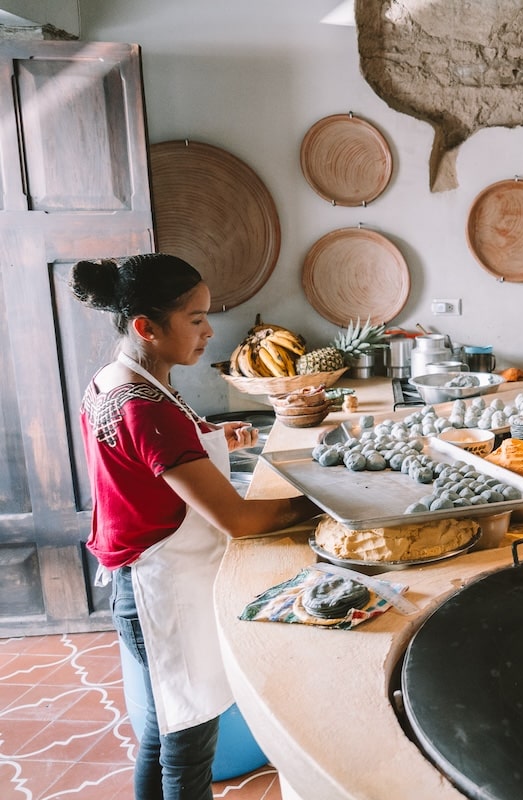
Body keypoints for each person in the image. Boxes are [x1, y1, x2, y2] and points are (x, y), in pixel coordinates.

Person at [70, 253, 320, 800]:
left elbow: (145, 463)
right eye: (196, 319)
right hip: (165, 592)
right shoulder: (146, 407)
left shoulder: (116, 379)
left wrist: (208, 439)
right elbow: (238, 519)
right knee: (187, 745)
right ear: (147, 327)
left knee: (165, 732)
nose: (211, 331)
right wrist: (322, 503)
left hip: (144, 578)